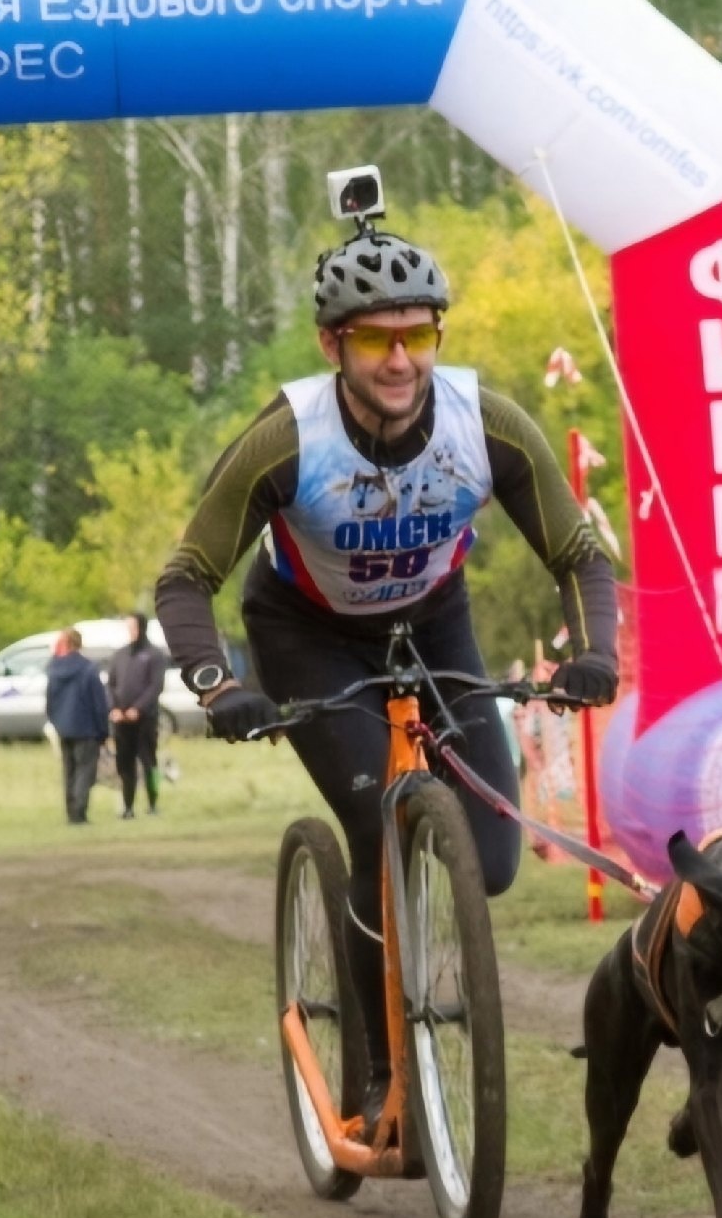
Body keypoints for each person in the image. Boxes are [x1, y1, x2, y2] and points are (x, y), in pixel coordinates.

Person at [154, 214, 619, 1121]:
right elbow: (187, 577)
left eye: (418, 333)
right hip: (306, 632)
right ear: (334, 343)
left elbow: (580, 555)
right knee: (375, 821)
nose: (400, 358)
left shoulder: (485, 423)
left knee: (490, 859)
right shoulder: (289, 437)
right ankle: (371, 1074)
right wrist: (219, 683)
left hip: (432, 627)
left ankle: (437, 977)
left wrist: (596, 653)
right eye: (376, 337)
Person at [103, 614, 168, 819]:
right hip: (122, 722)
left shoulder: (154, 655)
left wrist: (137, 709)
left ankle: (153, 803)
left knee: (149, 762)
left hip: (145, 720)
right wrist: (114, 708)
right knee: (125, 764)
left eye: (132, 626)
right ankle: (128, 806)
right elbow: (111, 685)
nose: (130, 631)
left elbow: (155, 686)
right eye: (127, 627)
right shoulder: (120, 655)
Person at [46, 627, 112, 825]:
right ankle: (79, 813)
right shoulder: (88, 669)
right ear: (80, 644)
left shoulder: (54, 669)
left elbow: (50, 701)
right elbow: (99, 703)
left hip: (64, 728)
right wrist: (103, 731)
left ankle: (70, 812)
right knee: (85, 771)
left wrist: (56, 722)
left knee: (69, 770)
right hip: (86, 727)